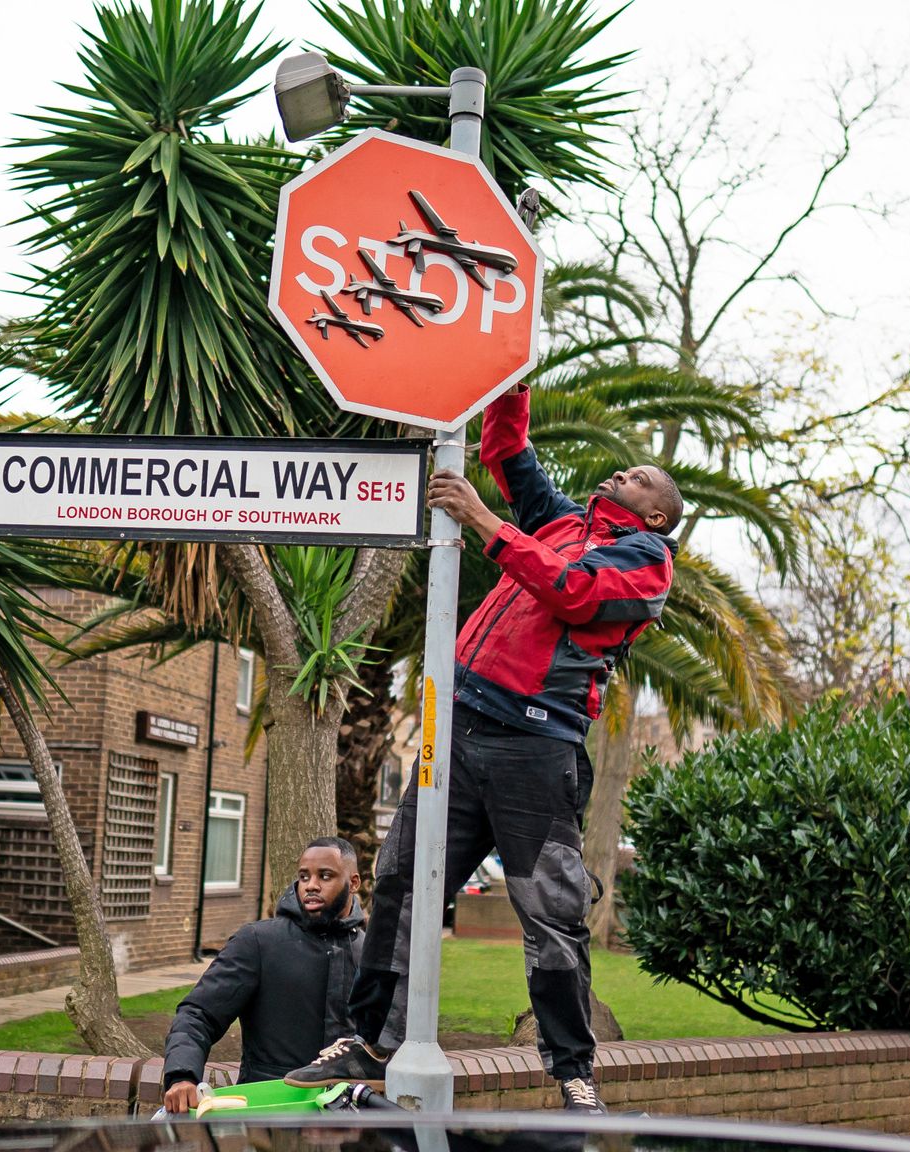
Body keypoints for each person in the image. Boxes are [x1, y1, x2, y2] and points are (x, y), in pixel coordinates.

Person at [285, 382, 679, 1115]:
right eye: (623, 471)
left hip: (536, 752)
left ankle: (573, 1072)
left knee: (552, 918)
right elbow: (504, 448)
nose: (623, 472)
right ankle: (370, 1039)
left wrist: (483, 522)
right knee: (402, 883)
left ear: (656, 512)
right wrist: (510, 377)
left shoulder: (647, 563)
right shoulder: (561, 522)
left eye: (641, 477)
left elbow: (576, 593)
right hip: (459, 734)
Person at [161, 838, 366, 1112]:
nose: (311, 885)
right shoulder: (259, 942)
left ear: (353, 883)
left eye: (325, 876)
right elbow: (197, 1014)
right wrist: (182, 1075)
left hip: (353, 1121)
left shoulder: (370, 953)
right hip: (271, 1114)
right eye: (304, 876)